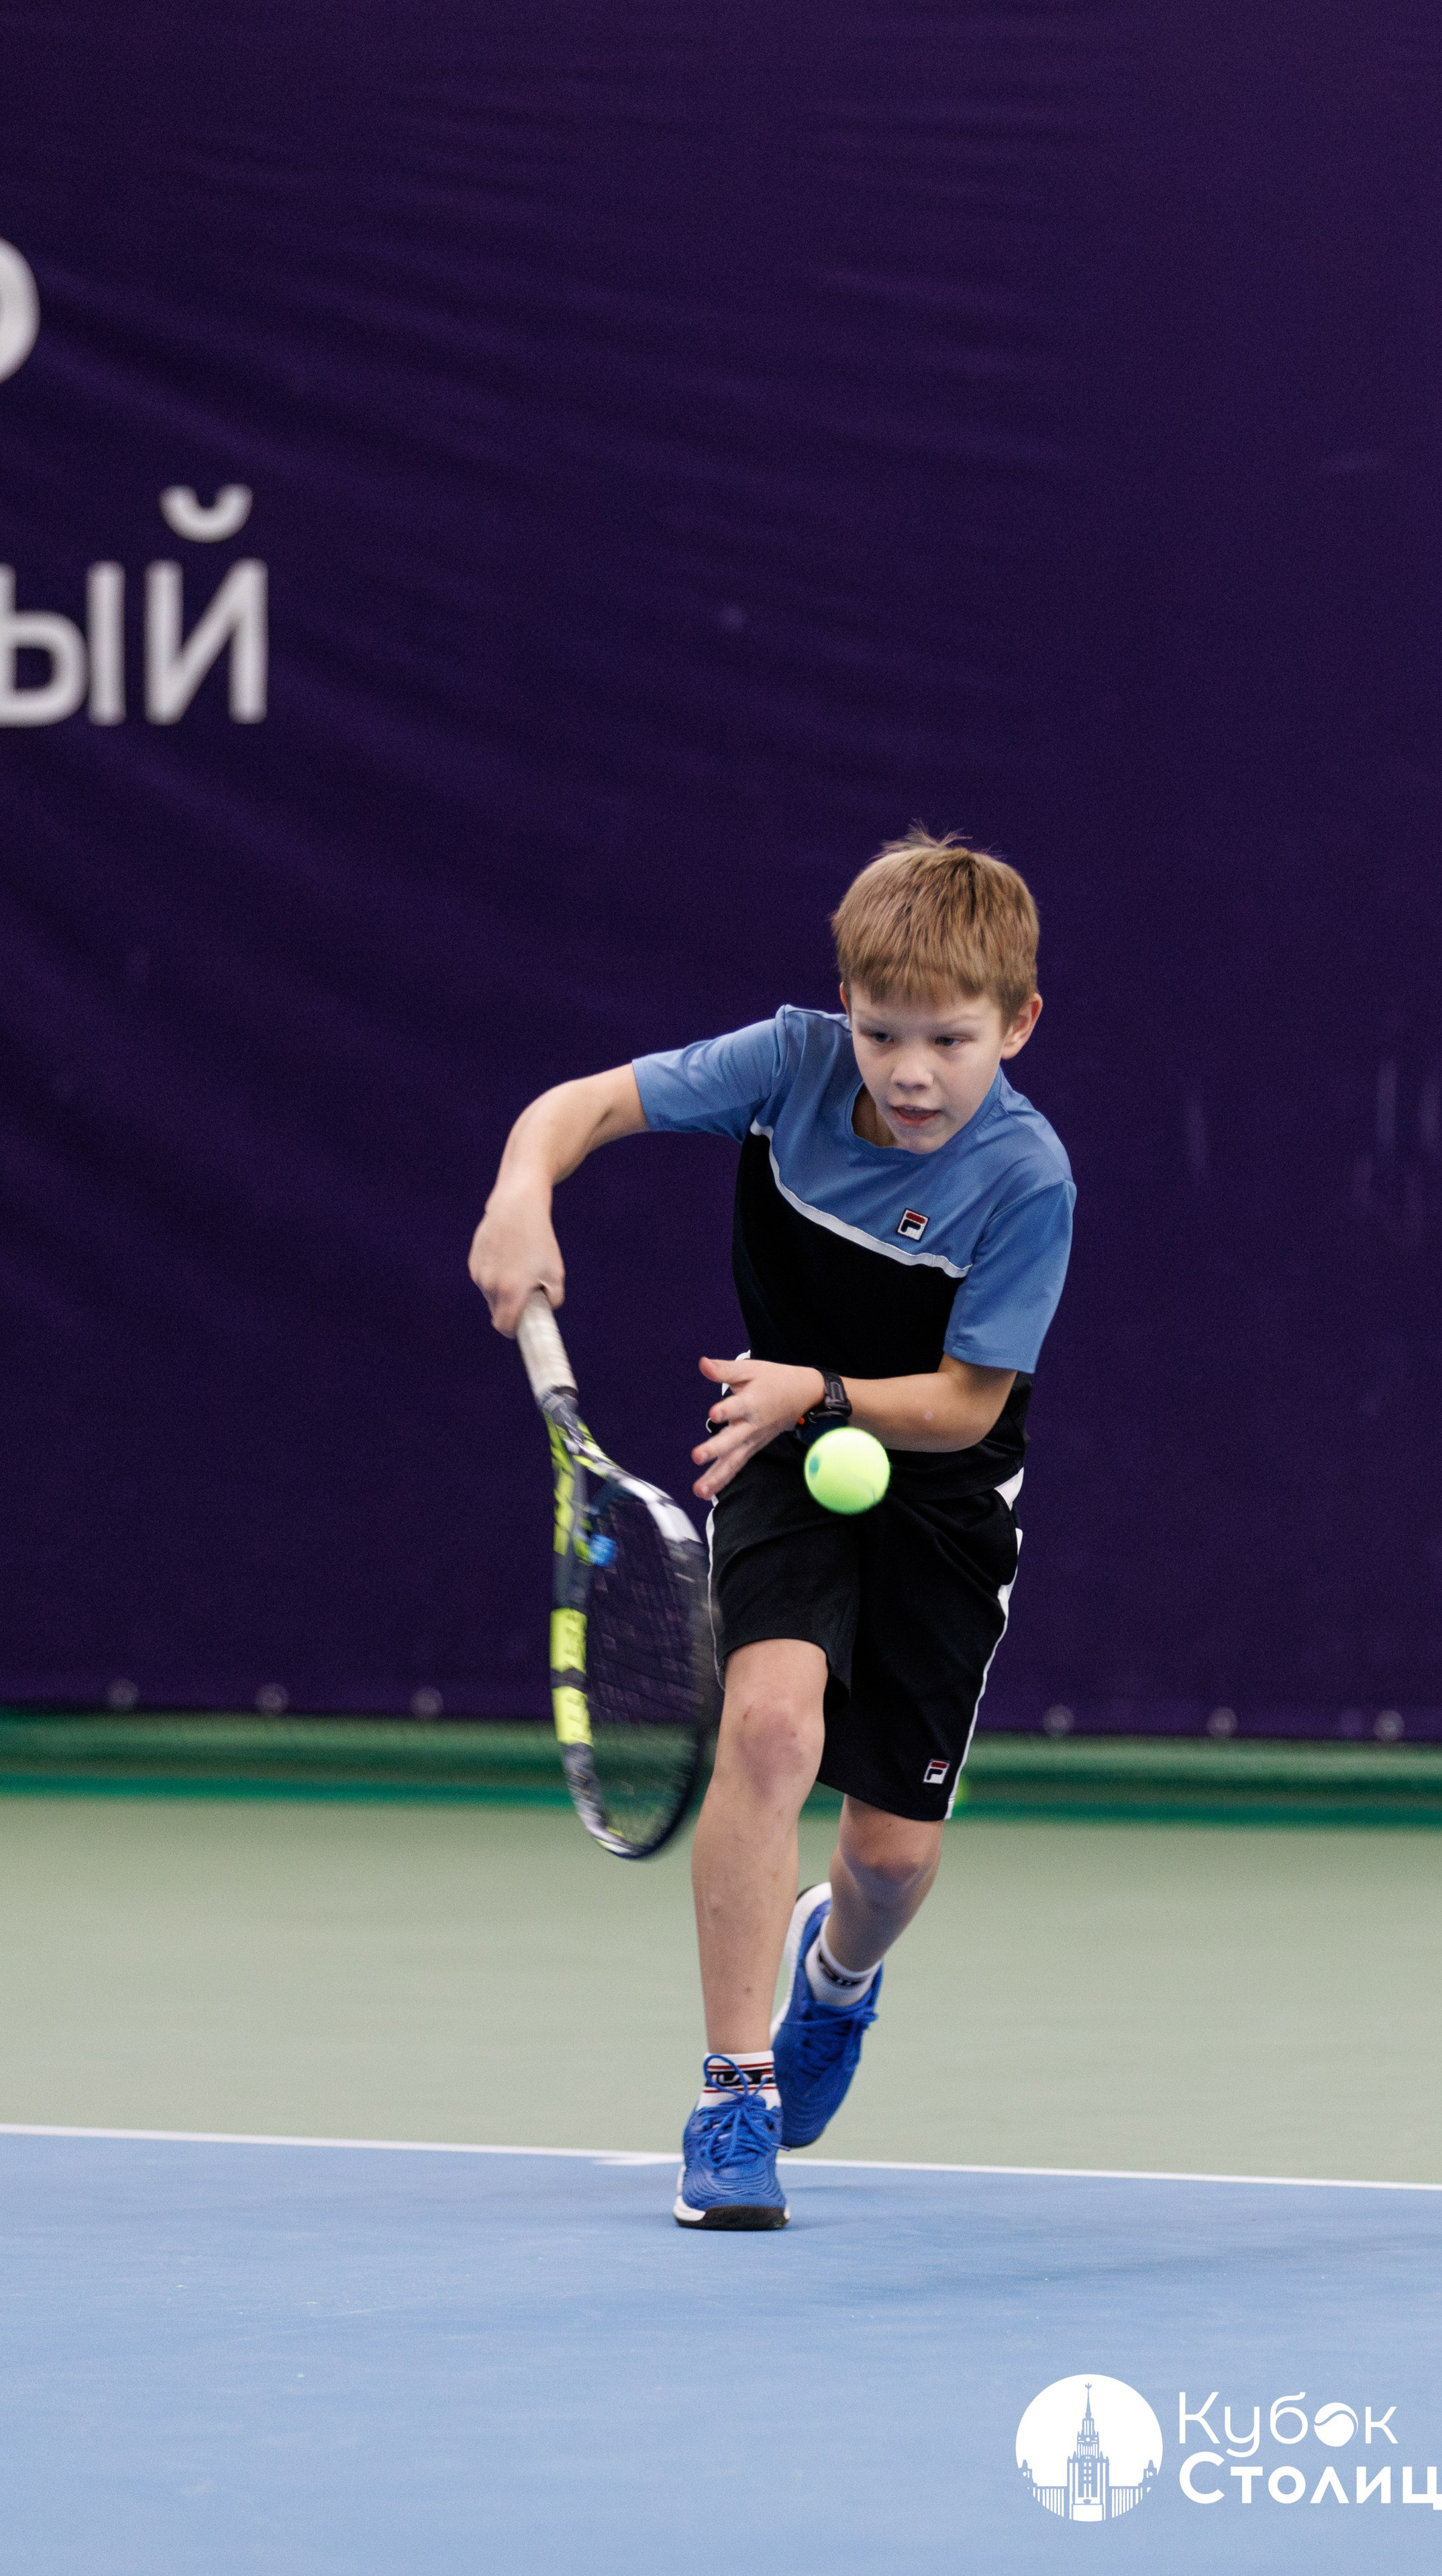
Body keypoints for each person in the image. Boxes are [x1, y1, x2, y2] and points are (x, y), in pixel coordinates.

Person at [468, 830, 1074, 2228]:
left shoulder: (1028, 1177)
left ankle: (837, 1979)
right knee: (769, 1728)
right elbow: (578, 1107)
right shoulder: (788, 1064)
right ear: (842, 1005)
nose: (910, 1071)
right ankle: (731, 2094)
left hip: (941, 1490)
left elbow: (968, 1402)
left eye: (949, 1039)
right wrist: (520, 1192)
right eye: (882, 1031)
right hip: (780, 1452)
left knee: (888, 1860)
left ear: (1017, 1025)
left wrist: (824, 1390)